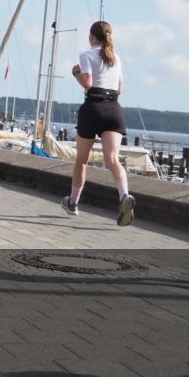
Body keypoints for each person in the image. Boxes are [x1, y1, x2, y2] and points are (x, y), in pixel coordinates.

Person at [61, 21, 134, 226]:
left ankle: (73, 203)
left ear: (92, 37)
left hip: (93, 107)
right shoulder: (116, 58)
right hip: (114, 109)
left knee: (82, 161)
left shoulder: (86, 55)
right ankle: (124, 196)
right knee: (112, 159)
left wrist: (76, 73)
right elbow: (119, 89)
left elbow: (88, 84)